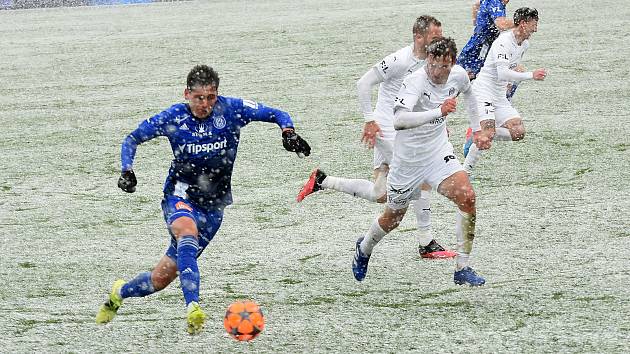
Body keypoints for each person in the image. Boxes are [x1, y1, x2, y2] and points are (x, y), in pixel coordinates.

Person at [95, 65, 311, 334]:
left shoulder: (232, 109)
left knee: (159, 280)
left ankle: (119, 293)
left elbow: (277, 113)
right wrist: (127, 169)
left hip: (214, 208)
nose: (205, 104)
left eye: (211, 97)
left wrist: (288, 132)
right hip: (179, 196)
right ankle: (192, 307)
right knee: (187, 233)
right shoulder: (173, 117)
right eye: (199, 98)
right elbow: (132, 139)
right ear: (187, 94)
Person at [297, 15, 456, 259]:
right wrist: (369, 119)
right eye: (435, 37)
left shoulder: (432, 65)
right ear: (419, 37)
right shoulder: (400, 60)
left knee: (380, 193)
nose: (440, 41)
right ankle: (426, 243)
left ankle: (322, 180)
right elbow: (363, 83)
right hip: (388, 129)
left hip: (406, 131)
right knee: (421, 178)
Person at [351, 37, 493, 286]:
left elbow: (470, 94)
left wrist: (476, 128)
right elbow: (399, 121)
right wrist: (439, 111)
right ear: (428, 60)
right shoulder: (415, 81)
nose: (439, 72)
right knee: (393, 218)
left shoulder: (458, 76)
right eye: (435, 65)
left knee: (467, 196)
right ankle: (364, 248)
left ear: (452, 64)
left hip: (438, 152)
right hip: (408, 161)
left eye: (445, 66)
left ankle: (462, 268)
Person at [462, 7, 547, 176]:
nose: (535, 29)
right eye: (533, 24)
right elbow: (502, 73)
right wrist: (531, 75)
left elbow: (510, 67)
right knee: (487, 132)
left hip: (499, 96)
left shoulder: (525, 44)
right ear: (523, 24)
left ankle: (477, 135)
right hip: (483, 92)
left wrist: (516, 71)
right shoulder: (503, 42)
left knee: (518, 132)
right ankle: (465, 172)